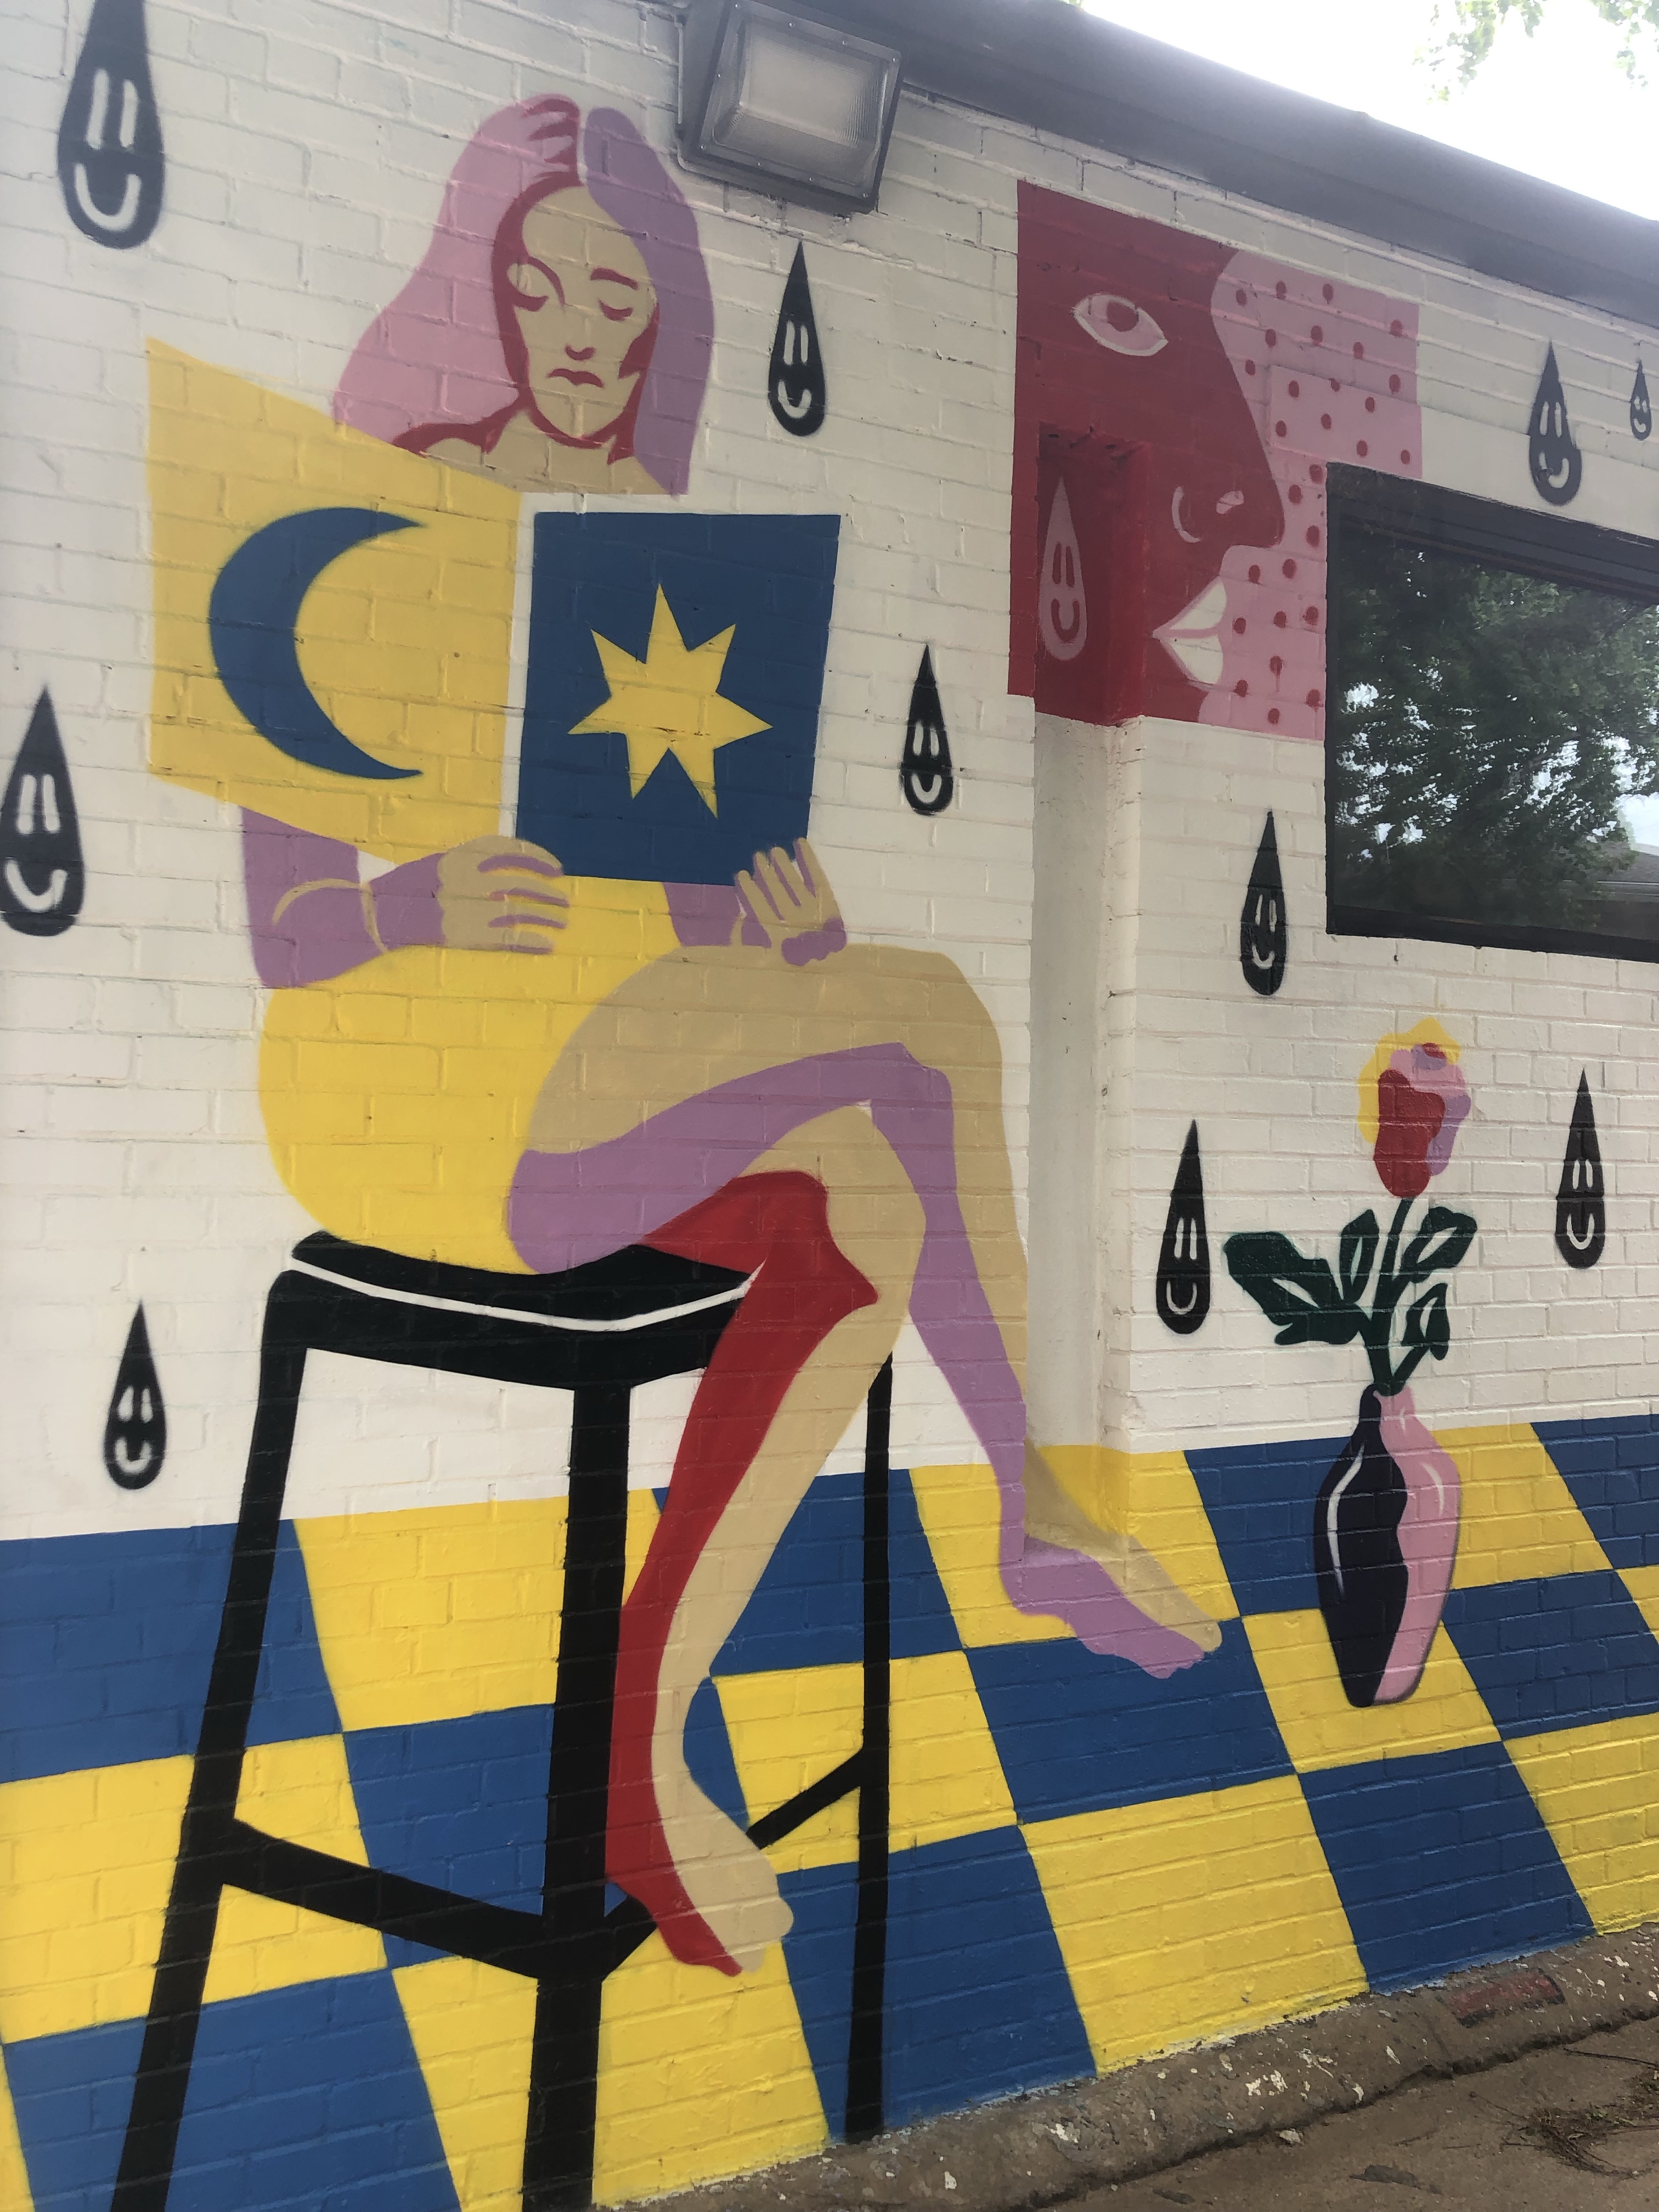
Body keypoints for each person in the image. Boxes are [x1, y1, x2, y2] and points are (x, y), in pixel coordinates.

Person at [244, 817, 1222, 1977]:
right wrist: (403, 907)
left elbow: (689, 951)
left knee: (863, 1205)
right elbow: (283, 929)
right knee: (931, 1014)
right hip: (409, 1107)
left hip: (600, 1092)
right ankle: (1035, 1508)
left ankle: (636, 1734)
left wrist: (783, 941)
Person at [334, 94, 712, 496]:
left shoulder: (656, 508)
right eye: (535, 292)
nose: (577, 342)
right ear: (503, 303)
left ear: (657, 321)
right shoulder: (431, 468)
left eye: (615, 303)